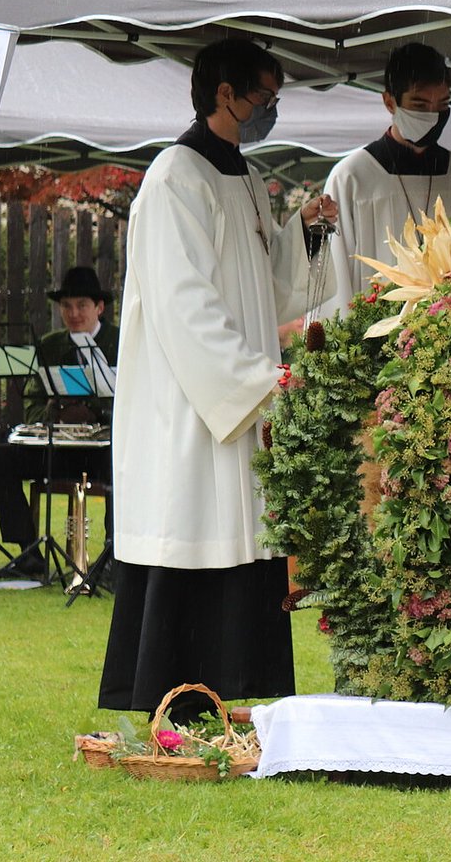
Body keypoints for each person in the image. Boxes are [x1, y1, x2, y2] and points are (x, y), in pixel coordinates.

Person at [99, 38, 338, 721]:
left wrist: (303, 234)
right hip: (191, 404)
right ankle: (176, 698)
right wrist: (254, 379)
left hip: (238, 396)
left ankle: (232, 694)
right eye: (263, 98)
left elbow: (266, 287)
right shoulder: (175, 178)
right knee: (194, 529)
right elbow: (184, 304)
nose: (270, 111)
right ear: (224, 94)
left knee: (239, 537)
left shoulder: (245, 177)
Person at [320, 42, 451, 316]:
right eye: (420, 104)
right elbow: (336, 277)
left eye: (442, 104)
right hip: (375, 331)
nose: (432, 116)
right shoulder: (351, 178)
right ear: (389, 102)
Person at [0, 266, 119, 580]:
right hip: (58, 447)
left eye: (82, 305)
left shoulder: (119, 341)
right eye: (66, 306)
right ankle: (29, 553)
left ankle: (114, 558)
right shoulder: (49, 345)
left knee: (124, 463)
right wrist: (55, 414)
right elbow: (31, 404)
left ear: (99, 307)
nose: (73, 313)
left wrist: (95, 412)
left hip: (102, 450)